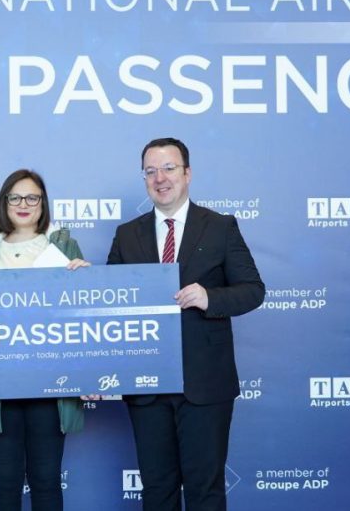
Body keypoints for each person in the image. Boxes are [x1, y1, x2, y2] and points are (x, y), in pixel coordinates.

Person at [106, 138, 264, 511]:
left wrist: (211, 298)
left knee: (205, 491)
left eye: (169, 168)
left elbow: (253, 290)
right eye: (150, 171)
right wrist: (82, 279)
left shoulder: (220, 226)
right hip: (147, 386)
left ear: (187, 173)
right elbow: (110, 304)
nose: (160, 178)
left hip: (205, 384)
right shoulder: (127, 234)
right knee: (157, 491)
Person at [0, 169, 90, 511]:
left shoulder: (63, 245)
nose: (24, 204)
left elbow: (82, 315)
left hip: (51, 385)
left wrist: (86, 280)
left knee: (46, 481)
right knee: (4, 484)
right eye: (15, 197)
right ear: (4, 202)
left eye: (32, 197)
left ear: (43, 203)